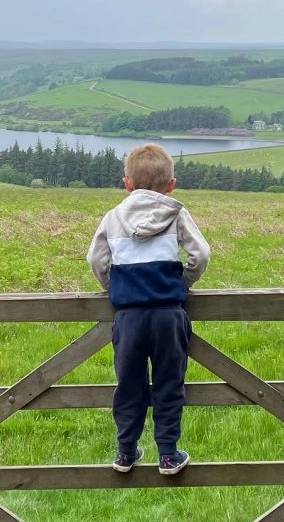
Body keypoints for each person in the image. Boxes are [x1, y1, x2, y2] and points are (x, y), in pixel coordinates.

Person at [87, 143, 210, 475]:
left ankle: (126, 451)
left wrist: (113, 287)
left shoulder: (113, 217)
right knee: (170, 382)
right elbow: (201, 254)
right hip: (169, 314)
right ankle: (168, 453)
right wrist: (182, 283)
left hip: (128, 317)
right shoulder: (176, 213)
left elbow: (96, 260)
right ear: (172, 184)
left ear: (126, 183)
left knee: (129, 382)